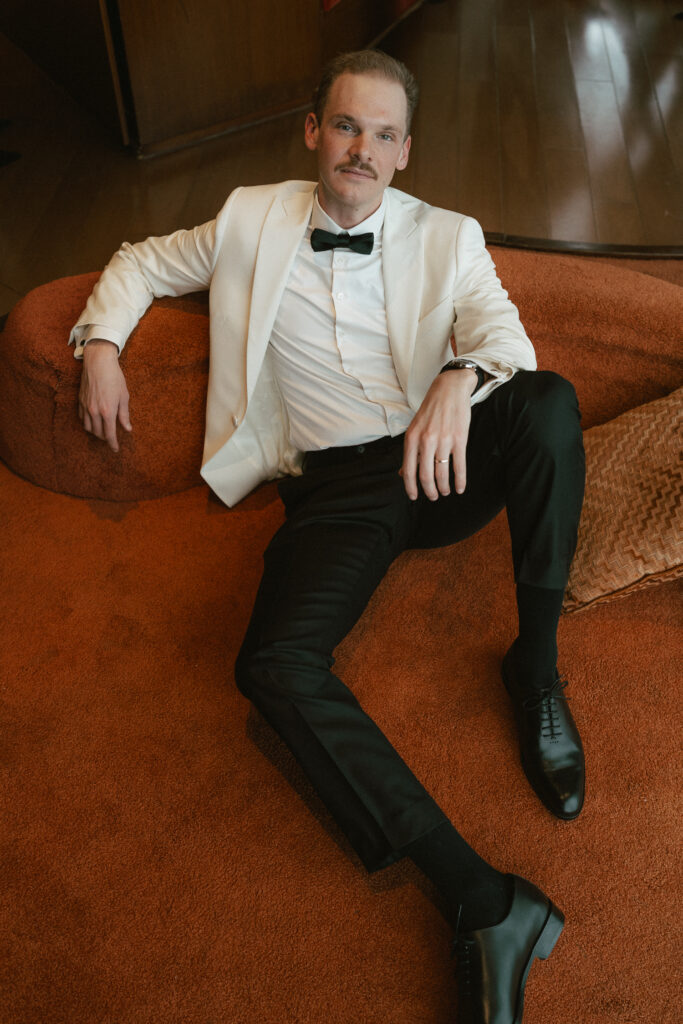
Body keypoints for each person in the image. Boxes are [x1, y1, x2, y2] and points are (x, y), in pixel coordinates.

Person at [70, 50, 586, 1024]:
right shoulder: (246, 218)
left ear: (402, 152)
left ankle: (536, 669)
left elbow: (505, 343)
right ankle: (483, 901)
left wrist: (454, 381)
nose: (361, 149)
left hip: (441, 465)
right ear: (314, 131)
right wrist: (100, 343)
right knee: (271, 663)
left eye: (382, 134)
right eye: (345, 126)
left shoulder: (446, 235)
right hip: (336, 488)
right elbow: (141, 259)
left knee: (549, 405)